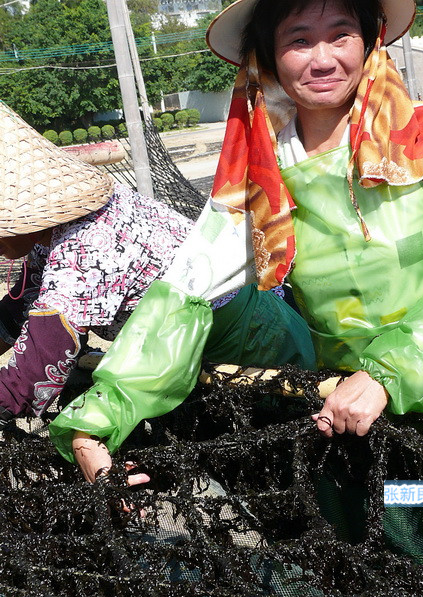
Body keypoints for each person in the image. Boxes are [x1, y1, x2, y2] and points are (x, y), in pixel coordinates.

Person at [50, 0, 423, 490]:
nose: (322, 59)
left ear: (369, 42)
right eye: (298, 40)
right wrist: (96, 422)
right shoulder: (261, 172)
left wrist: (387, 375)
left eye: (340, 35)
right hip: (349, 415)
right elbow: (186, 290)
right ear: (268, 58)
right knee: (399, 532)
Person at [0, 100, 314, 437]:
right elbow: (19, 309)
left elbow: (35, 371)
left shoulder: (81, 249)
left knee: (278, 446)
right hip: (183, 348)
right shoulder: (53, 225)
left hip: (245, 343)